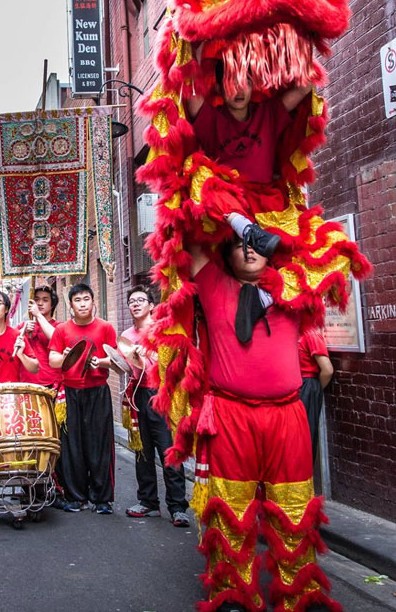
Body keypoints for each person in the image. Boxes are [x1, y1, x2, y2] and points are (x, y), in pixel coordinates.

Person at [188, 237, 340, 612]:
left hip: (287, 415)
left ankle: (300, 590)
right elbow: (188, 228)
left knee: (294, 506)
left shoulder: (292, 285)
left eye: (258, 240)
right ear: (227, 253)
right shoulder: (212, 284)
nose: (250, 249)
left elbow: (320, 254)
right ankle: (232, 593)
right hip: (231, 416)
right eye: (241, 244)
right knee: (231, 507)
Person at [185, 67, 312, 261]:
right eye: (231, 83)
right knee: (200, 173)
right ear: (219, 88)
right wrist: (191, 46)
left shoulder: (268, 113)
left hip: (268, 201)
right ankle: (245, 228)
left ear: (253, 88)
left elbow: (304, 87)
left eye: (246, 83)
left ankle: (251, 232)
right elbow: (189, 88)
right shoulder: (212, 118)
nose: (239, 89)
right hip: (227, 202)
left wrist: (294, 44)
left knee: (307, 252)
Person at [119, 286, 190, 527]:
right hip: (138, 396)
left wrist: (150, 354)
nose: (135, 304)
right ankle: (148, 502)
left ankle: (178, 507)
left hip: (161, 395)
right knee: (142, 452)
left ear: (151, 305)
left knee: (168, 451)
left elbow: (175, 362)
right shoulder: (126, 335)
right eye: (131, 301)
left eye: (140, 300)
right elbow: (127, 367)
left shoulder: (162, 330)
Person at [48, 284, 117, 514]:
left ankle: (102, 499)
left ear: (93, 301)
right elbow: (52, 360)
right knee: (72, 447)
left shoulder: (105, 327)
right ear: (71, 305)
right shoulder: (62, 330)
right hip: (70, 392)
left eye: (86, 299)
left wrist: (102, 362)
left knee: (100, 445)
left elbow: (116, 360)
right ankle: (76, 496)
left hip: (98, 391)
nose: (83, 303)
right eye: (78, 300)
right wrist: (65, 356)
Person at [299, 331, 335, 463]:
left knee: (305, 436)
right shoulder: (291, 331)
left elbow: (327, 370)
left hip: (307, 385)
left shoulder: (310, 334)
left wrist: (315, 389)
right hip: (297, 386)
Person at [18, 285, 61, 387]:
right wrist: (23, 331)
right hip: (27, 382)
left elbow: (56, 338)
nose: (40, 303)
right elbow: (11, 344)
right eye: (36, 300)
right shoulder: (23, 326)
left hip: (52, 382)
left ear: (52, 304)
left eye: (45, 300)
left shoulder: (59, 326)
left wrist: (38, 315)